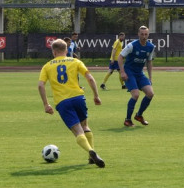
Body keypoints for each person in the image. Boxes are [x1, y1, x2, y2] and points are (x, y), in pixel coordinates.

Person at [37, 38, 105, 168]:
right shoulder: (75, 61)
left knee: (78, 132)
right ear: (66, 50)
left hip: (63, 102)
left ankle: (91, 151)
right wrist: (96, 95)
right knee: (85, 126)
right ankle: (91, 155)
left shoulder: (47, 66)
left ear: (54, 52)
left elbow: (41, 85)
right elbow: (90, 78)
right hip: (79, 98)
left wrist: (46, 104)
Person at [118, 25, 156, 127]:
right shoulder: (132, 45)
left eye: (146, 34)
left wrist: (150, 77)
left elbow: (149, 62)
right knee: (135, 95)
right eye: (142, 34)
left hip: (139, 73)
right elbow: (120, 57)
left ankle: (139, 115)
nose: (144, 36)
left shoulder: (151, 47)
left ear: (148, 35)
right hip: (129, 72)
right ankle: (128, 120)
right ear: (138, 34)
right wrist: (122, 72)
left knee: (150, 93)